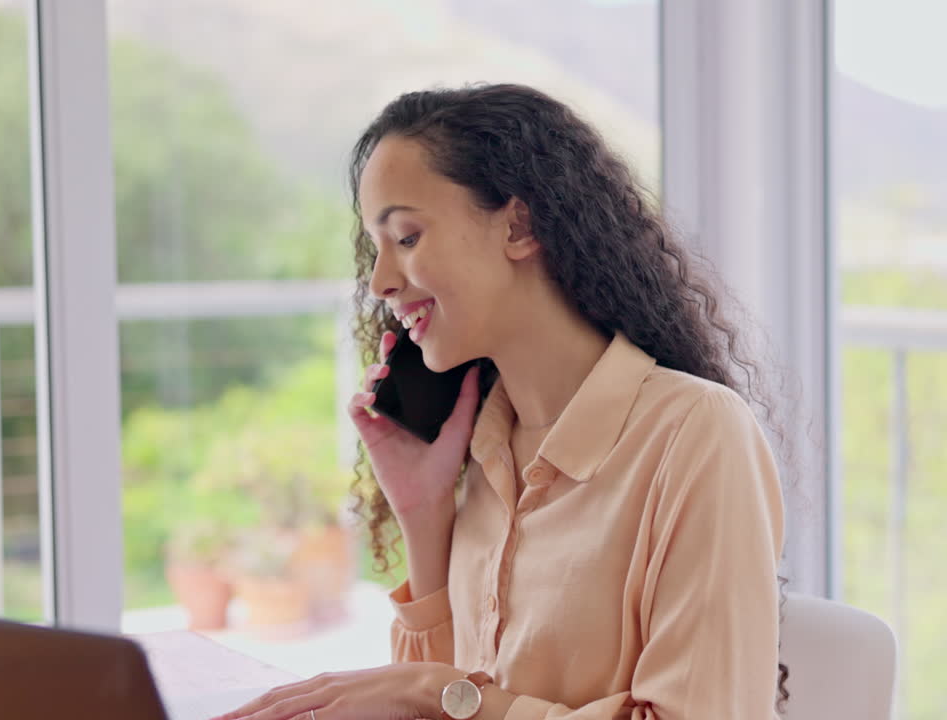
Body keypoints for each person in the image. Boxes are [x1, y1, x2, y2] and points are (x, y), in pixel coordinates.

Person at [216, 83, 788, 720]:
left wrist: (428, 692)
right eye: (376, 249)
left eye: (405, 237)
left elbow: (445, 701)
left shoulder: (695, 433)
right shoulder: (487, 448)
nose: (380, 282)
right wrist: (426, 517)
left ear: (518, 225)